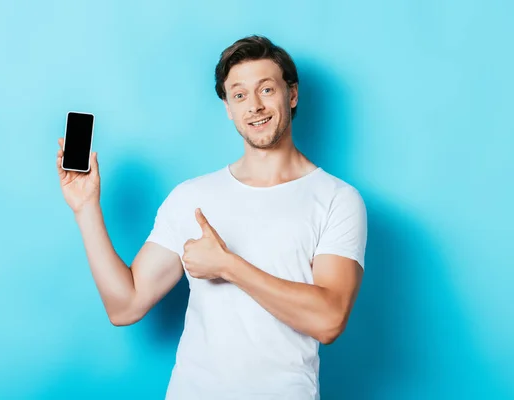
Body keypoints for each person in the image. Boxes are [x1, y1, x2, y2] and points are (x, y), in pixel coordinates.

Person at [56, 35, 367, 400]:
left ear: (292, 95)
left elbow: (329, 320)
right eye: (239, 95)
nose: (254, 105)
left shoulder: (337, 200)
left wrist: (228, 266)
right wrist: (86, 207)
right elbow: (125, 305)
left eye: (266, 89)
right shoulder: (192, 197)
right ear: (228, 108)